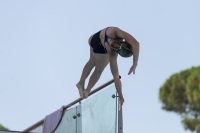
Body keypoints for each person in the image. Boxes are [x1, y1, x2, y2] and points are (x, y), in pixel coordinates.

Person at [76, 26, 140, 110]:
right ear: (120, 53)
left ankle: (81, 82)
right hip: (101, 46)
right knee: (99, 69)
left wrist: (135, 63)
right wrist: (121, 97)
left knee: (91, 62)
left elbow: (136, 43)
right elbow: (116, 77)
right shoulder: (113, 52)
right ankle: (87, 90)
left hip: (93, 38)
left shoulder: (117, 32)